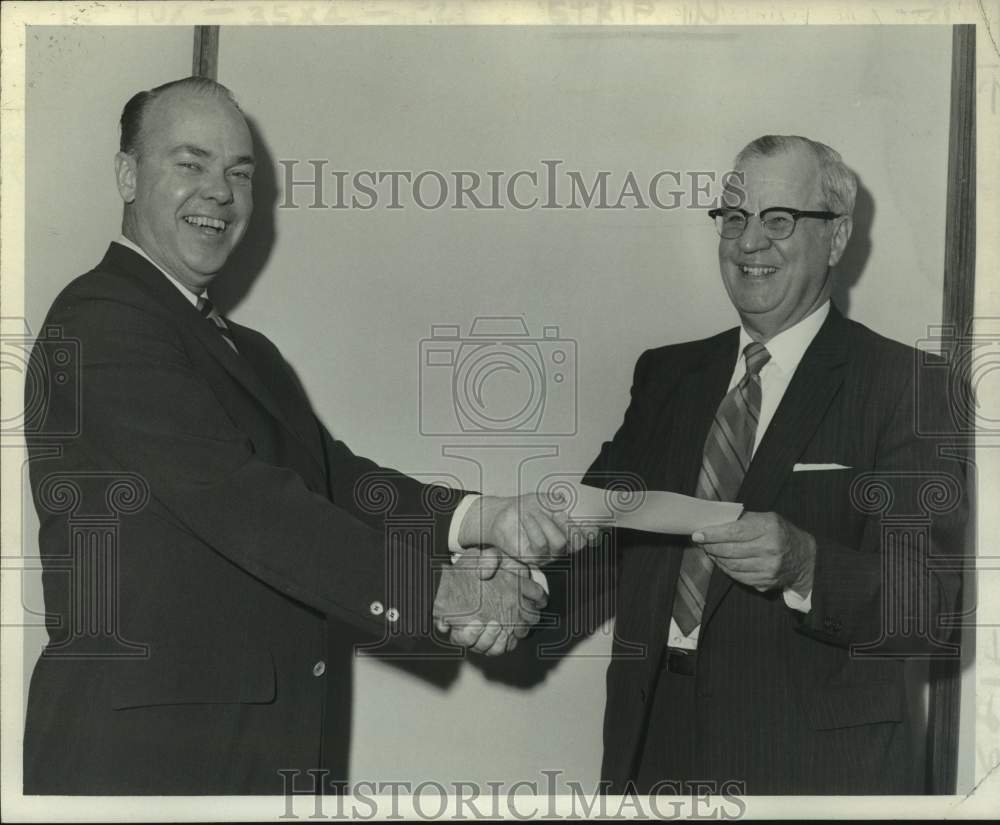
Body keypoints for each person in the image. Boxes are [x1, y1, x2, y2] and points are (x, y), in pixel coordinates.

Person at [22, 76, 571, 795]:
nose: (219, 192)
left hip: (260, 753)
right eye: (190, 163)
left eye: (239, 173)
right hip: (142, 763)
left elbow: (334, 480)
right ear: (128, 174)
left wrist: (480, 518)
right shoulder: (101, 319)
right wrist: (444, 591)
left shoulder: (249, 352)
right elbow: (245, 503)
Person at [587, 135, 968, 794]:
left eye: (779, 219)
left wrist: (806, 564)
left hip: (809, 769)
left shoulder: (909, 385)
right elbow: (598, 531)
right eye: (734, 217)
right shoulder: (666, 375)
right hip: (651, 749)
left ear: (837, 237)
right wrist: (515, 584)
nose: (749, 242)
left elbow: (932, 610)